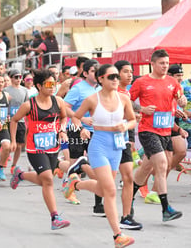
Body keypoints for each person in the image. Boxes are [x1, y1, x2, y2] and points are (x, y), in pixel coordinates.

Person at [64, 64, 136, 247]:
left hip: (117, 147)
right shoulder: (92, 100)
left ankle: (76, 184)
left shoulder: (124, 98)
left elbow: (133, 120)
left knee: (105, 189)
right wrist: (81, 126)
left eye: (116, 77)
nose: (115, 80)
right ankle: (117, 236)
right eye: (111, 76)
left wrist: (125, 127)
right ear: (101, 79)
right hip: (99, 146)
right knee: (110, 191)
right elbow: (73, 113)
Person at [129, 49, 186, 222]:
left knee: (146, 167)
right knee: (162, 164)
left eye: (167, 63)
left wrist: (181, 102)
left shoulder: (172, 82)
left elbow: (179, 98)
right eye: (161, 63)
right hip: (148, 130)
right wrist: (141, 109)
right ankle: (166, 209)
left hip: (165, 130)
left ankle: (128, 197)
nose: (165, 66)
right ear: (152, 64)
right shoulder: (142, 82)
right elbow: (127, 101)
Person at [9, 69, 70, 230]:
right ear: (39, 86)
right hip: (35, 148)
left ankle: (20, 174)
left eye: (54, 84)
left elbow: (64, 117)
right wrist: (14, 140)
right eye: (48, 84)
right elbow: (14, 120)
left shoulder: (58, 102)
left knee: (45, 179)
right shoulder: (29, 105)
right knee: (48, 179)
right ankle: (55, 217)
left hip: (52, 147)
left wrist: (62, 129)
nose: (52, 87)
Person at [64, 60, 103, 214]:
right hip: (76, 128)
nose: (97, 74)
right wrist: (81, 121)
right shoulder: (78, 89)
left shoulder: (102, 89)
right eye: (94, 71)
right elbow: (65, 108)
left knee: (97, 166)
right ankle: (70, 189)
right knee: (75, 163)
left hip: (97, 131)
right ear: (86, 73)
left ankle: (98, 204)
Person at [114, 60, 143, 230]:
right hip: (104, 141)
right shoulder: (105, 93)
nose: (130, 75)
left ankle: (126, 216)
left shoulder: (127, 93)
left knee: (127, 177)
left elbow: (130, 119)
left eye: (131, 71)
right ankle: (76, 183)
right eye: (126, 71)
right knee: (106, 183)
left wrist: (130, 137)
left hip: (122, 139)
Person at [4, 69, 28, 174]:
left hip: (21, 120)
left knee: (18, 145)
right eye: (16, 77)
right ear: (11, 78)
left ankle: (14, 164)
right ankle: (3, 161)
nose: (18, 79)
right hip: (9, 120)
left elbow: (26, 105)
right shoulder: (6, 90)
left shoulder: (24, 90)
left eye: (20, 77)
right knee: (8, 144)